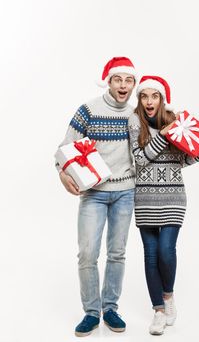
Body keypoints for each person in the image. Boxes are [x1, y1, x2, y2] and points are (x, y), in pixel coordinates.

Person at [55, 57, 137, 337]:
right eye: (118, 79)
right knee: (88, 253)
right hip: (94, 194)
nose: (123, 85)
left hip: (125, 192)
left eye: (128, 80)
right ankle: (91, 312)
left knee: (117, 253)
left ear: (133, 84)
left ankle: (110, 308)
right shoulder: (88, 110)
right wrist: (63, 174)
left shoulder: (135, 115)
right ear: (109, 81)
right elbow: (65, 148)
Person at [128, 75, 199, 335]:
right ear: (140, 99)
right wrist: (164, 136)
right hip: (144, 199)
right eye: (145, 96)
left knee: (166, 250)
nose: (149, 101)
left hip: (173, 197)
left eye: (154, 96)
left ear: (162, 99)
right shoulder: (134, 122)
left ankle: (168, 297)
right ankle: (158, 311)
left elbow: (182, 161)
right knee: (151, 255)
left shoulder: (175, 121)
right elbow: (140, 160)